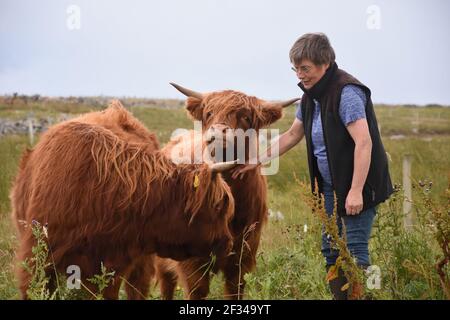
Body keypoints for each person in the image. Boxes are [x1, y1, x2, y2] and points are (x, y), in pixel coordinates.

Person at [231, 32, 393, 300]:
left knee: (355, 252)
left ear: (325, 63)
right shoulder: (310, 96)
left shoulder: (347, 92)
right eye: (295, 69)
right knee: (331, 249)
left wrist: (355, 191)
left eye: (305, 68)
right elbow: (294, 134)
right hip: (330, 186)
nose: (299, 75)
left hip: (358, 185)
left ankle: (368, 297)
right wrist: (256, 160)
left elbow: (364, 143)